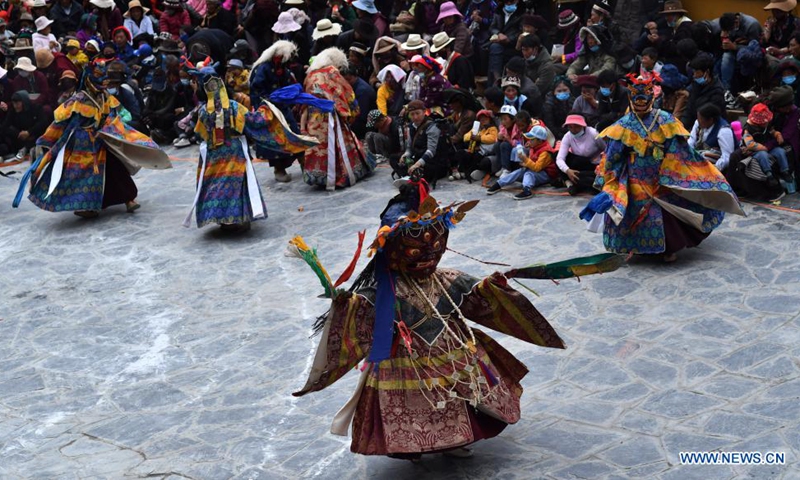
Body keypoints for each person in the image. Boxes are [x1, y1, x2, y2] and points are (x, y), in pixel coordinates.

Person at [291, 179, 621, 459]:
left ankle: (459, 437)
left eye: (436, 245)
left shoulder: (448, 279)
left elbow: (476, 300)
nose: (429, 253)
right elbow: (360, 317)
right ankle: (411, 444)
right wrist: (347, 305)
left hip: (454, 350)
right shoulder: (382, 292)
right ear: (391, 249)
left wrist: (491, 288)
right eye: (416, 248)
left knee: (460, 394)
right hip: (405, 359)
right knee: (413, 399)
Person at [581, 73, 744, 262]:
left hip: (662, 175)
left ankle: (667, 249)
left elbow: (679, 149)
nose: (640, 102)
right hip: (635, 178)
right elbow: (613, 156)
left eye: (645, 98)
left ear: (652, 98)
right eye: (636, 98)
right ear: (630, 98)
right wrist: (607, 180)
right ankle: (635, 248)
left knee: (667, 212)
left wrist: (675, 169)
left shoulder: (665, 120)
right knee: (630, 211)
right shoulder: (623, 125)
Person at [12, 64, 171, 218]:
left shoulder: (105, 97)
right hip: (81, 145)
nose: (102, 86)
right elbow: (60, 121)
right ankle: (90, 207)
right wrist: (47, 139)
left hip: (103, 139)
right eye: (99, 83)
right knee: (82, 176)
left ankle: (129, 199)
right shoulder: (77, 100)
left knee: (115, 169)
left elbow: (120, 114)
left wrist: (116, 128)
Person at [183, 74, 267, 232]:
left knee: (216, 184)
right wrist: (267, 110)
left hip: (213, 154)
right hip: (234, 150)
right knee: (236, 183)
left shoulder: (203, 112)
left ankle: (222, 219)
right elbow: (252, 121)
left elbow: (199, 133)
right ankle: (237, 218)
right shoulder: (235, 107)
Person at [301, 47, 375, 190]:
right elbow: (346, 92)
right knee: (338, 145)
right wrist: (352, 112)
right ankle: (342, 175)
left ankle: (318, 177)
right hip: (333, 117)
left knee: (318, 147)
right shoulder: (332, 72)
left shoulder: (309, 75)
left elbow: (306, 100)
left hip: (314, 118)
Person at [488, 125, 557, 199]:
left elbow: (537, 168)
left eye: (532, 139)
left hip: (546, 175)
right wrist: (525, 164)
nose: (529, 141)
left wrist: (525, 160)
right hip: (537, 171)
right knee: (520, 171)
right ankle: (499, 184)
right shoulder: (535, 146)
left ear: (539, 141)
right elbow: (533, 162)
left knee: (529, 173)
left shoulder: (545, 152)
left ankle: (527, 190)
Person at [398, 99, 449, 186]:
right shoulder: (411, 127)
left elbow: (431, 151)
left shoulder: (432, 127)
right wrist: (405, 155)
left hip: (432, 161)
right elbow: (409, 148)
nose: (415, 117)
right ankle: (413, 175)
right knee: (394, 159)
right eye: (412, 114)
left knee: (425, 169)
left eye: (418, 113)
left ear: (424, 112)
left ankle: (413, 176)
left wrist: (417, 164)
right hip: (418, 157)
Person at [556, 113, 605, 195]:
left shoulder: (593, 133)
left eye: (576, 126)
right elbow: (560, 158)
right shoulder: (567, 136)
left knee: (585, 178)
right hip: (578, 164)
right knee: (556, 156)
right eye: (570, 127)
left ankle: (579, 184)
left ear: (583, 125)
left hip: (595, 166)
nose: (573, 129)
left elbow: (606, 149)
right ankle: (569, 183)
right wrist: (568, 171)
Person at [718, 12, 762, 94]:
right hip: (734, 51)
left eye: (729, 31)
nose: (728, 33)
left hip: (750, 54)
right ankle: (726, 91)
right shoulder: (728, 24)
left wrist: (735, 47)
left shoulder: (751, 25)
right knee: (725, 59)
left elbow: (755, 50)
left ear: (736, 23)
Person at [0, 91, 49, 160]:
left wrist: (29, 132)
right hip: (21, 139)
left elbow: (43, 122)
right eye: (14, 103)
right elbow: (5, 126)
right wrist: (18, 134)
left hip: (36, 137)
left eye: (17, 103)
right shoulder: (13, 112)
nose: (15, 106)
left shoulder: (36, 108)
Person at [688, 103, 735, 174]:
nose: (698, 120)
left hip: (715, 161)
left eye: (700, 119)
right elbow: (691, 141)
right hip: (700, 155)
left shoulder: (724, 131)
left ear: (710, 120)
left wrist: (714, 171)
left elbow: (727, 157)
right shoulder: (698, 123)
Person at [452, 108, 498, 181]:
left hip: (485, 153)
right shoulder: (478, 129)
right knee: (461, 153)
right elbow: (465, 137)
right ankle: (461, 171)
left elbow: (492, 138)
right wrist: (472, 136)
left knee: (477, 157)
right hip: (474, 149)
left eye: (485, 118)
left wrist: (479, 138)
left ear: (489, 119)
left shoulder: (492, 129)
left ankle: (470, 172)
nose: (483, 120)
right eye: (481, 119)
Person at [681, 55, 725, 130]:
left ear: (707, 72)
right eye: (693, 72)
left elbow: (711, 119)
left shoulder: (717, 92)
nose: (694, 76)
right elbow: (689, 109)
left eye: (697, 72)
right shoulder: (695, 85)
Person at [487, 0, 524, 85]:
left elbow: (521, 31)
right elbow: (492, 27)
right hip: (498, 41)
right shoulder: (499, 11)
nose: (509, 4)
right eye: (507, 2)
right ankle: (496, 79)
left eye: (511, 2)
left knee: (495, 48)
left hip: (514, 44)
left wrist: (509, 39)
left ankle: (496, 80)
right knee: (495, 47)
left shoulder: (522, 13)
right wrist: (498, 34)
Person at [342, 63, 376, 139]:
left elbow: (361, 115)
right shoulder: (352, 86)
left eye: (348, 79)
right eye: (344, 80)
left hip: (366, 125)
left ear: (355, 76)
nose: (346, 82)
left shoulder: (362, 90)